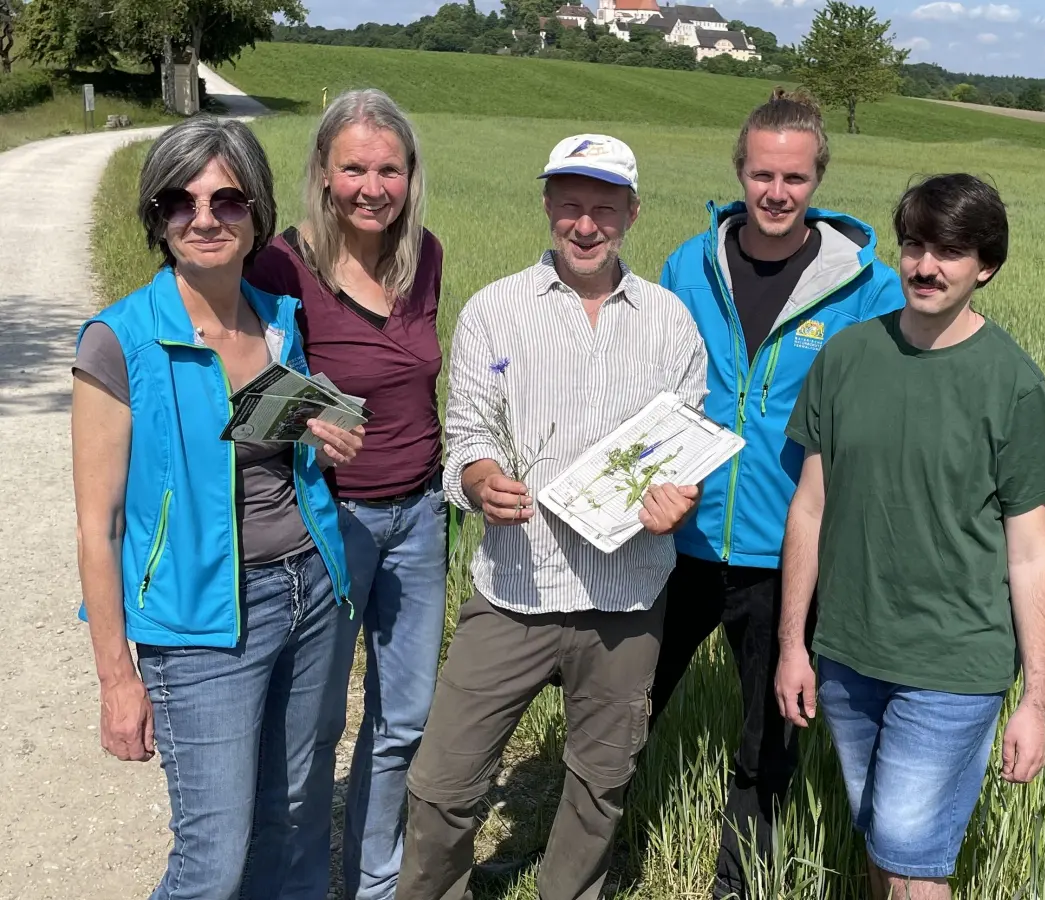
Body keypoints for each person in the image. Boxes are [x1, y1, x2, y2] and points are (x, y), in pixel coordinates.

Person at [397, 134, 709, 900]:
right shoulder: (495, 311)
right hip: (515, 590)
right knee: (443, 784)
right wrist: (477, 478)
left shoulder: (670, 323)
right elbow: (465, 432)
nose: (585, 223)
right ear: (546, 206)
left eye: (604, 207)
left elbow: (683, 448)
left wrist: (678, 501)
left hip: (627, 600)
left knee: (600, 786)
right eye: (570, 204)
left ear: (632, 213)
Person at [71, 115, 365, 900]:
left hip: (310, 594)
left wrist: (323, 441)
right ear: (157, 217)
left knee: (299, 821)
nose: (204, 218)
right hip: (199, 626)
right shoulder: (120, 340)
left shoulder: (281, 322)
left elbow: (279, 454)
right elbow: (97, 530)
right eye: (181, 201)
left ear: (257, 213)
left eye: (228, 200)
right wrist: (117, 680)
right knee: (212, 860)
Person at [774, 174, 1045, 900]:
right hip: (849, 652)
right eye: (914, 246)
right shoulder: (845, 358)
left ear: (986, 266)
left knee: (911, 859)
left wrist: (1036, 700)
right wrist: (792, 646)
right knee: (882, 838)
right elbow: (809, 508)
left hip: (953, 661)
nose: (926, 266)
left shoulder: (1012, 385)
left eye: (951, 251)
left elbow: (1031, 551)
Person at [651, 88, 902, 899]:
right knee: (621, 712)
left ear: (816, 179)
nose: (776, 192)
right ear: (740, 172)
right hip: (676, 539)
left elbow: (905, 392)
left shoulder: (865, 285)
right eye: (762, 173)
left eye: (794, 178)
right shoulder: (687, 265)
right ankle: (579, 852)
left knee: (767, 741)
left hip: (785, 552)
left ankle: (736, 883)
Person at [247, 88, 446, 900]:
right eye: (354, 167)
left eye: (389, 169)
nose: (373, 186)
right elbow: (238, 388)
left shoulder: (422, 254)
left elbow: (421, 376)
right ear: (324, 175)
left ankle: (373, 880)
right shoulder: (278, 266)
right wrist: (297, 428)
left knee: (403, 720)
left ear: (410, 175)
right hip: (325, 525)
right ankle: (290, 883)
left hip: (421, 517)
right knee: (312, 727)